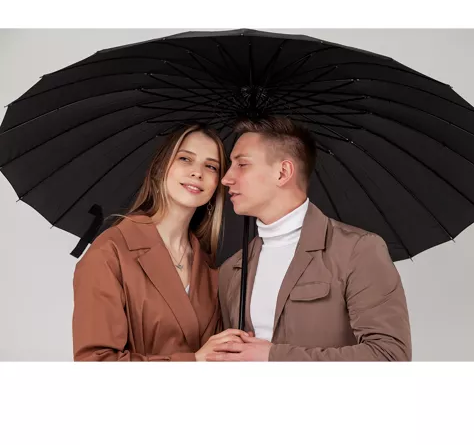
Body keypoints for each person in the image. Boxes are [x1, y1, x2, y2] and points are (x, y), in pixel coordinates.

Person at [212, 116, 412, 362]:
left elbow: (390, 357)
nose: (226, 178)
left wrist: (273, 356)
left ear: (283, 172)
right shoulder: (232, 269)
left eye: (242, 164)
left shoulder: (357, 251)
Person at [72, 124, 248, 361]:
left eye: (211, 166)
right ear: (160, 168)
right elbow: (94, 362)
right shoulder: (111, 251)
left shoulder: (209, 267)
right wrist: (192, 362)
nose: (197, 172)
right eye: (185, 159)